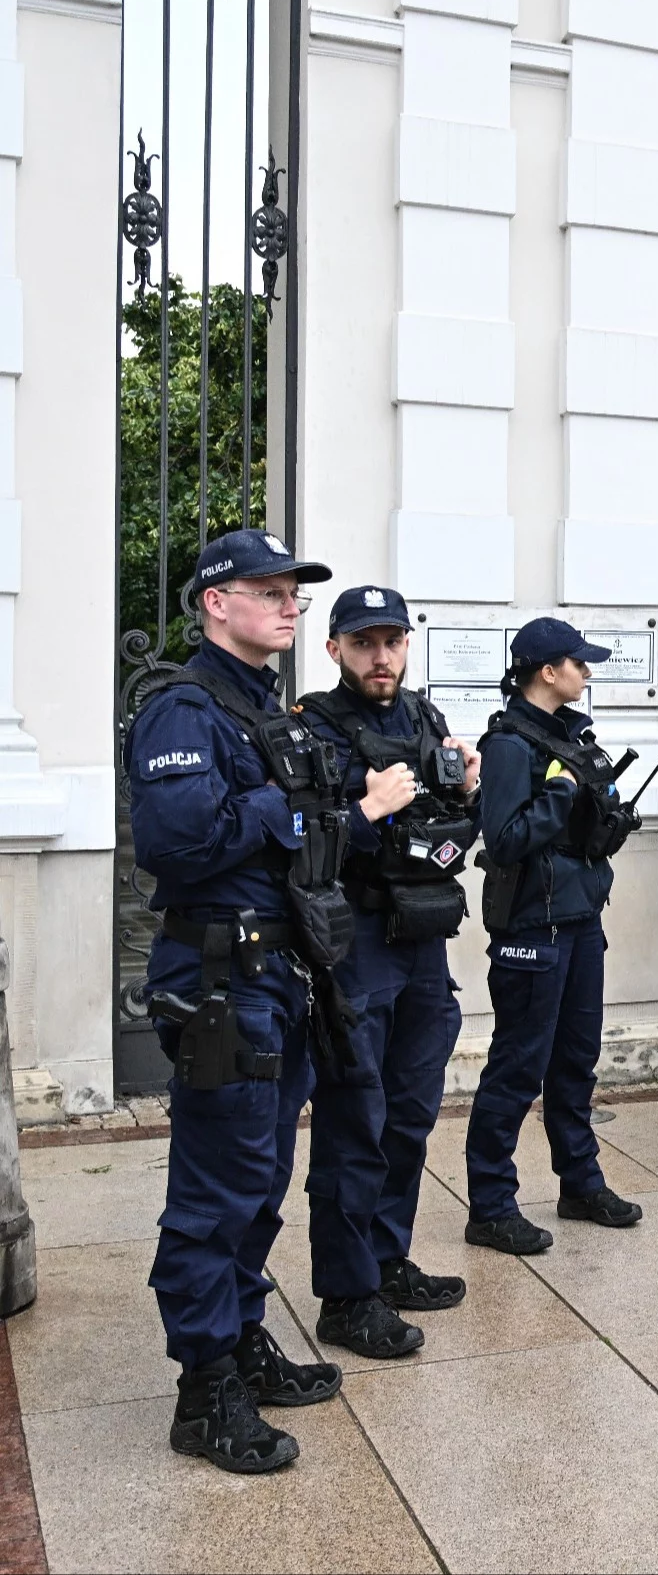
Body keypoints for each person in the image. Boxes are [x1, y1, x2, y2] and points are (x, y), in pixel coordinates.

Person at [128, 529, 348, 1473]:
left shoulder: (269, 709)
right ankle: (203, 1384)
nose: (290, 602)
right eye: (268, 587)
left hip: (276, 974)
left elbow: (313, 825)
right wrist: (274, 809)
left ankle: (240, 1334)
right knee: (217, 1184)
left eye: (293, 588)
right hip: (220, 978)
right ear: (216, 602)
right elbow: (177, 846)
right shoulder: (184, 708)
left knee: (258, 1181)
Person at [294, 586, 479, 1361]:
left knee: (409, 1113)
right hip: (360, 941)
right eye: (364, 642)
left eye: (393, 641)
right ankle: (346, 1293)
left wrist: (465, 787)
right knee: (355, 1121)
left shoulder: (426, 720)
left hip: (425, 938)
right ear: (334, 648)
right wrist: (366, 812)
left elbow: (453, 825)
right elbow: (302, 845)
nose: (381, 656)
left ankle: (387, 1256)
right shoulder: (312, 728)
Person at [466, 619, 645, 1252]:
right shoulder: (511, 743)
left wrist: (608, 815)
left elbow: (584, 827)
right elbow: (507, 838)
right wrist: (564, 794)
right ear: (547, 670)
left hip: (580, 920)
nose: (587, 671)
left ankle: (580, 1183)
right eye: (579, 662)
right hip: (531, 927)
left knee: (575, 1062)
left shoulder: (573, 735)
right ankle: (489, 1204)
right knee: (518, 1067)